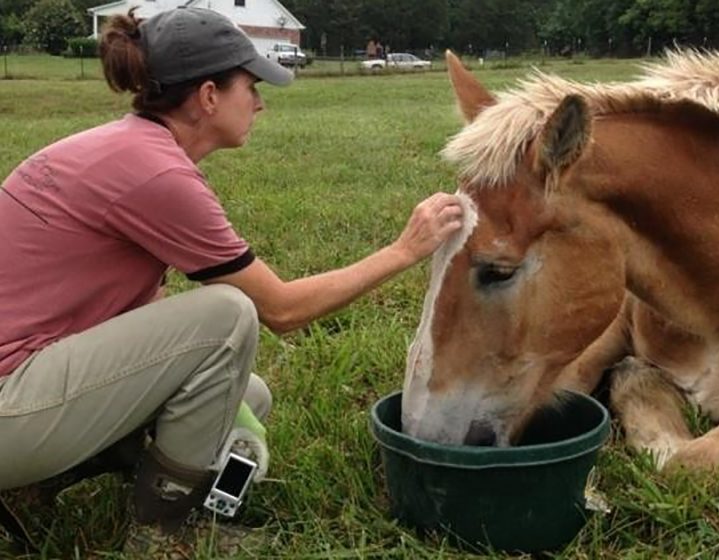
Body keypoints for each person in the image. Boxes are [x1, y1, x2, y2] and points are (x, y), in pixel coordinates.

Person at [0, 6, 463, 557]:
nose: (261, 102)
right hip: (12, 408)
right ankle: (162, 531)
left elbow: (140, 309)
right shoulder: (157, 174)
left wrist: (230, 421)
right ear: (209, 96)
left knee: (248, 397)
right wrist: (403, 250)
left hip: (24, 389)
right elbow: (281, 309)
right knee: (228, 315)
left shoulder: (123, 149)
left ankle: (36, 485)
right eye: (252, 85)